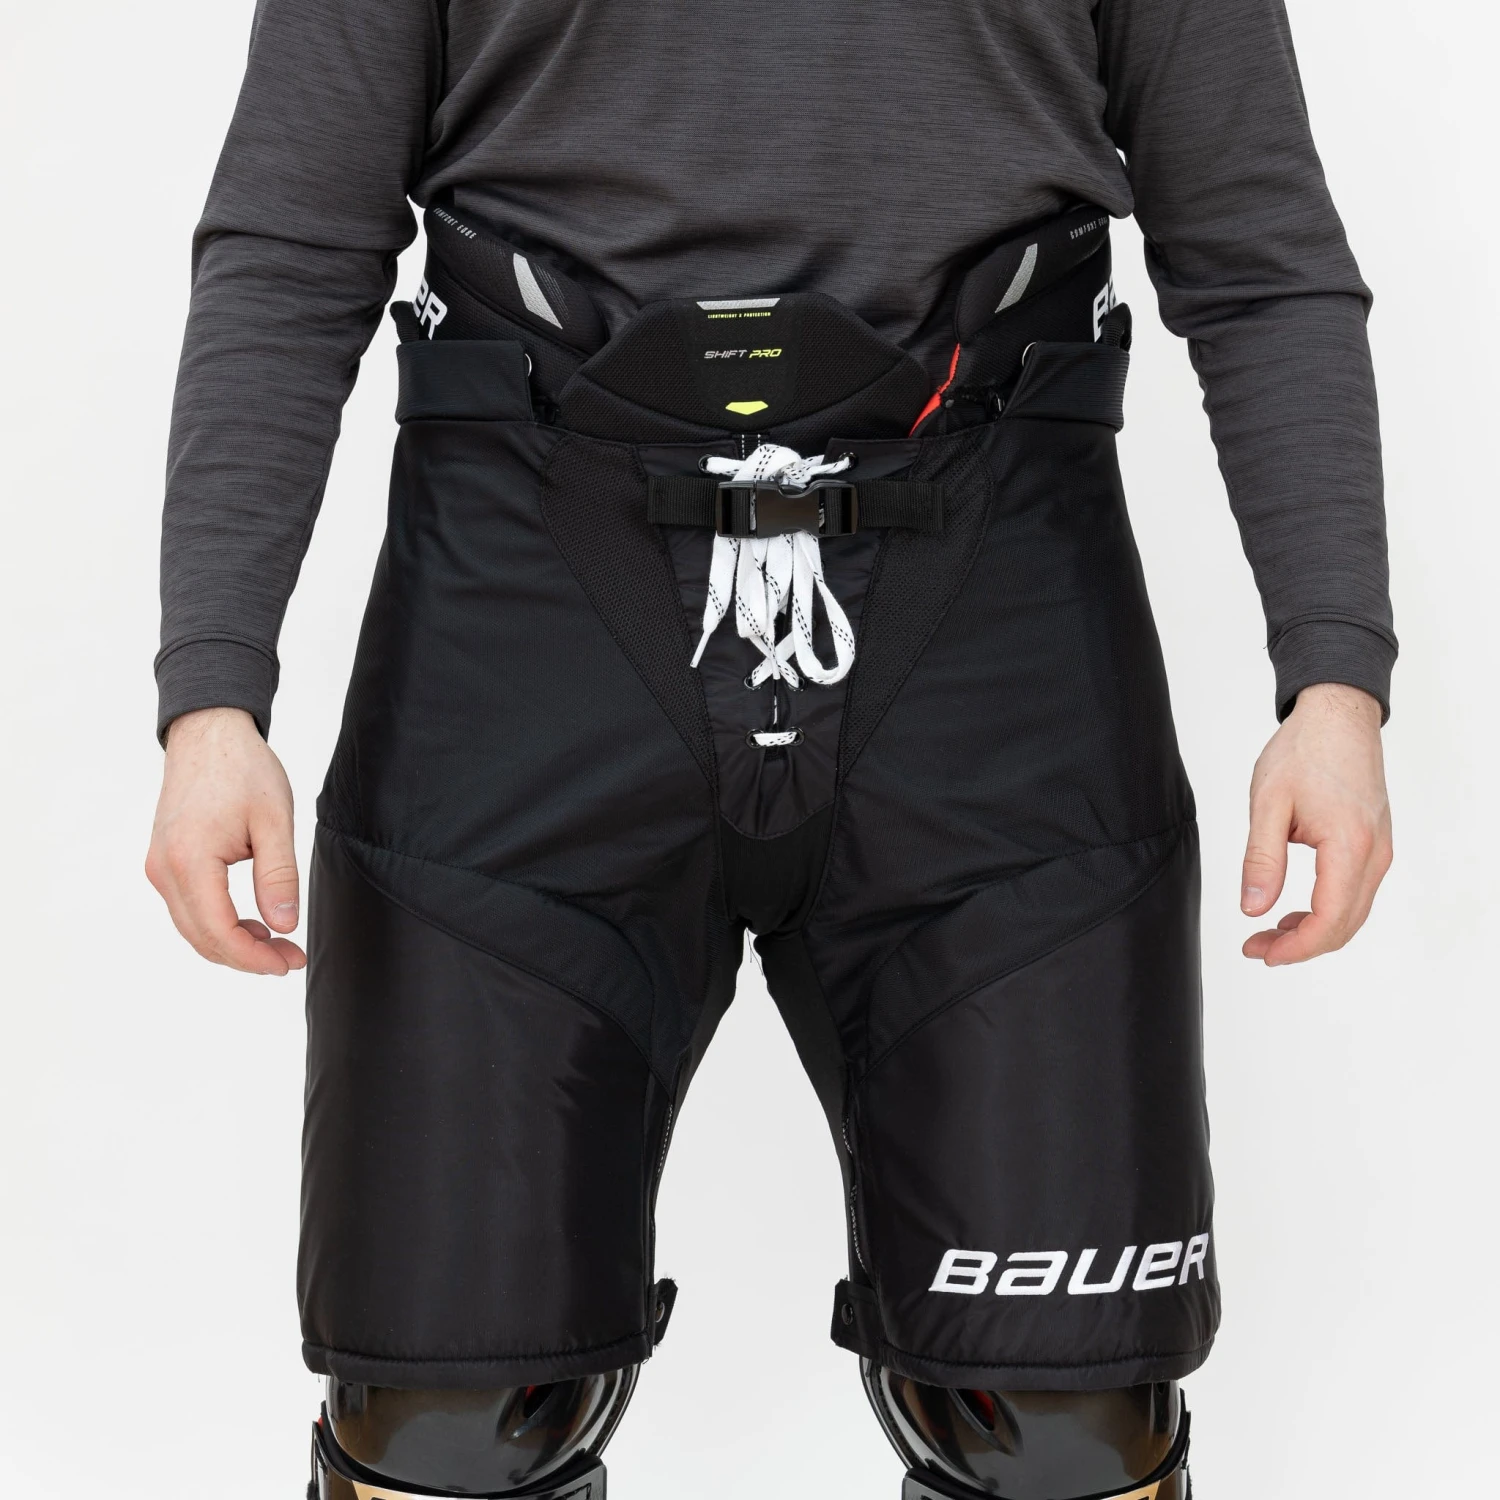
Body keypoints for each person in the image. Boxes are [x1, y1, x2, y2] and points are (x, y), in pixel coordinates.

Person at [147, 2, 1394, 1496]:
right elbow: (293, 240)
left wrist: (1334, 676)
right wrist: (213, 689)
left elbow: (1257, 248)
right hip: (528, 602)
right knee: (443, 1420)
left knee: (1064, 1430)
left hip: (993, 609)